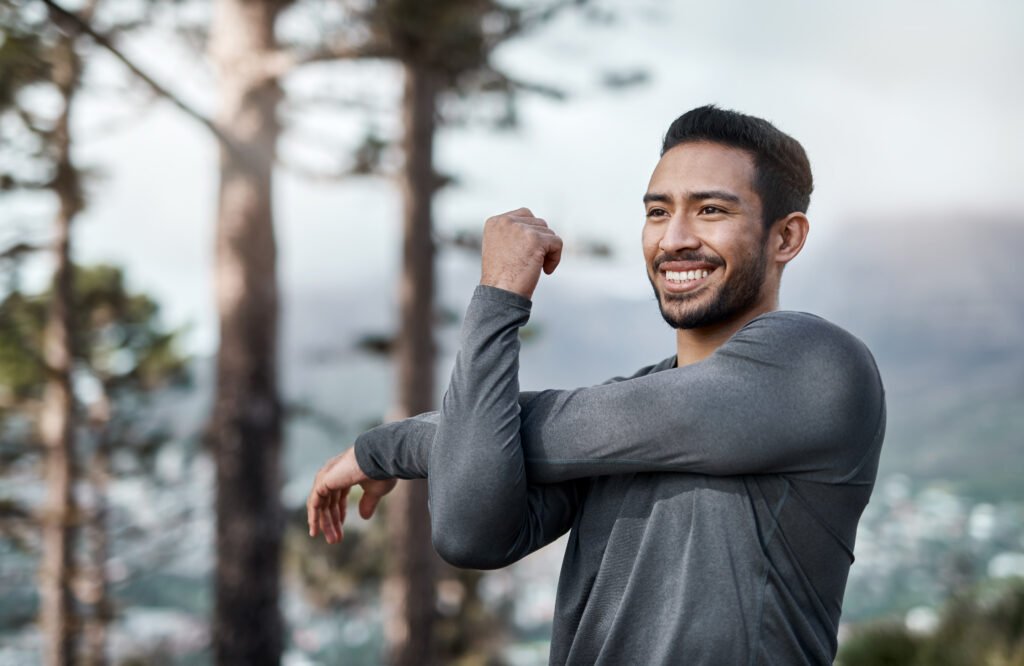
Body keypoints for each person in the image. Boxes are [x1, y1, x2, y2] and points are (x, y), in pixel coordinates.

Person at [306, 105, 886, 665]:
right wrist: (496, 296)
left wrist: (387, 446)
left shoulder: (818, 364)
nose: (675, 239)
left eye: (711, 210)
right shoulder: (621, 418)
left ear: (785, 237)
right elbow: (468, 532)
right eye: (658, 212)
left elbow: (550, 428)